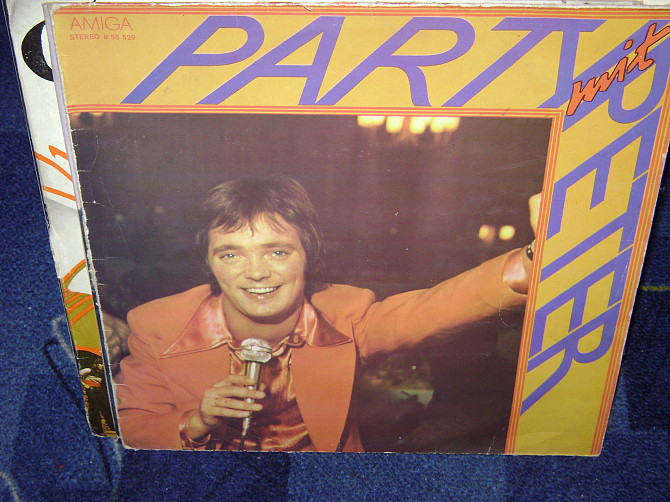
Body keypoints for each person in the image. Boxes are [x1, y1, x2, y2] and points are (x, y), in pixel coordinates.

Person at [115, 176, 539, 451]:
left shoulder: (346, 314)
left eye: (277, 252)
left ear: (308, 255)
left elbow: (435, 307)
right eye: (231, 254)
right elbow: (128, 427)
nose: (256, 272)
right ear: (209, 263)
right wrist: (197, 421)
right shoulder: (158, 326)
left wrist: (535, 256)